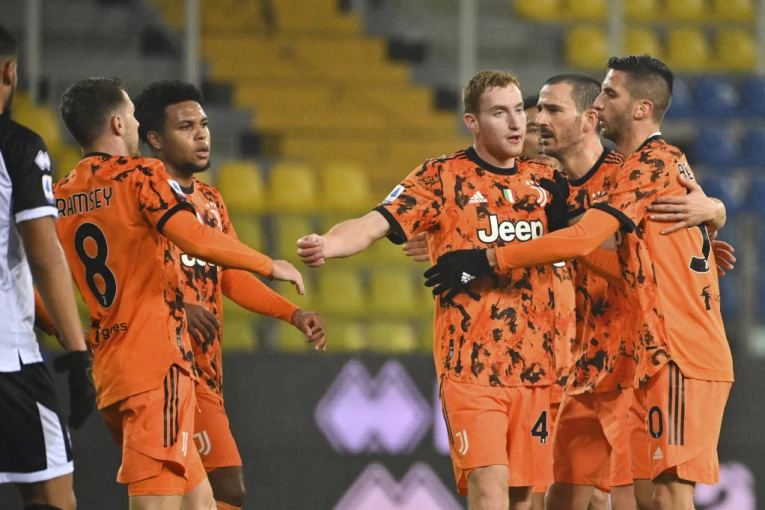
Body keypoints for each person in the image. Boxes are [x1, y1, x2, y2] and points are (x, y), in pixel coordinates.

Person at [424, 55, 733, 510]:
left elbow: (588, 239)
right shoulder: (547, 185)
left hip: (650, 357)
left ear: (590, 120)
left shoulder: (631, 171)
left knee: (649, 497)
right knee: (564, 497)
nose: (536, 123)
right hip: (581, 366)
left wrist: (714, 213)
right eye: (535, 115)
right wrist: (454, 236)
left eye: (551, 111)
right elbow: (593, 248)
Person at [298, 70, 561, 510]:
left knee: (523, 499)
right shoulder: (442, 177)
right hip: (470, 368)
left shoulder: (548, 181)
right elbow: (374, 223)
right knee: (490, 487)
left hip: (537, 369)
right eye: (500, 113)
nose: (517, 122)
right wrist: (328, 243)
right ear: (472, 122)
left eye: (519, 110)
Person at [54, 76, 303, 510]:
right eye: (132, 116)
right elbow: (194, 236)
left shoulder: (61, 195)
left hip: (111, 370)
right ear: (118, 124)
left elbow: (43, 282)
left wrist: (71, 337)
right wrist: (267, 264)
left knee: (201, 503)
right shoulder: (141, 176)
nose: (137, 124)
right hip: (158, 367)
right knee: (157, 503)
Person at [132, 80, 327, 510]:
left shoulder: (210, 200)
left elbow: (229, 277)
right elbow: (122, 278)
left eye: (203, 124)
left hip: (205, 370)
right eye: (186, 127)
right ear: (155, 139)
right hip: (162, 367)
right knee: (221, 488)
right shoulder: (140, 196)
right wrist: (176, 308)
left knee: (201, 494)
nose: (202, 135)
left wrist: (292, 314)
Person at [0, 24, 95, 510]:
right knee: (52, 497)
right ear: (10, 73)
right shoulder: (18, 146)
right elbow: (43, 253)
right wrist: (78, 355)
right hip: (7, 362)